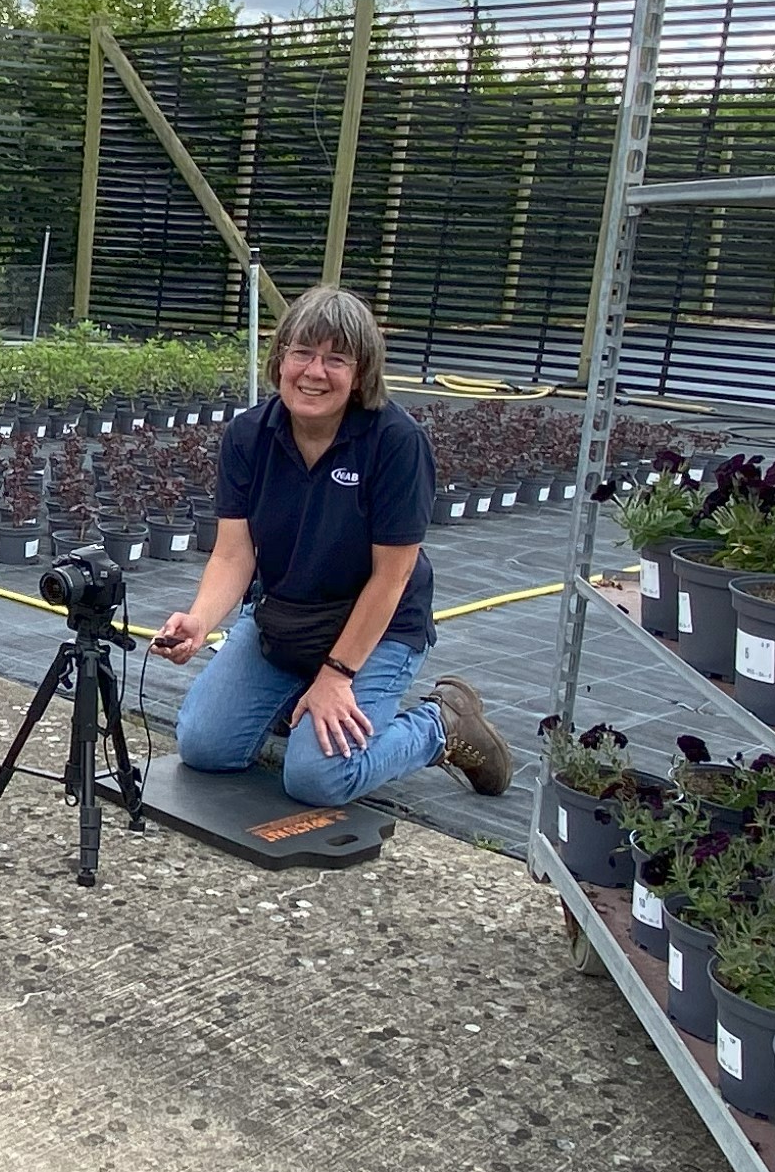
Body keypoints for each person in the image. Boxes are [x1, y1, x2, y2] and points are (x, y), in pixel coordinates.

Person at [148, 284, 513, 807]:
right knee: (205, 746)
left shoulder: (394, 443)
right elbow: (234, 553)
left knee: (317, 780)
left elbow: (392, 577)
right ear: (280, 360)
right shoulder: (249, 436)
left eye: (335, 359)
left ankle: (441, 726)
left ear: (361, 374)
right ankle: (302, 704)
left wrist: (337, 675)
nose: (314, 372)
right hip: (285, 620)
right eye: (301, 353)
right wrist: (200, 621)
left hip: (376, 631)